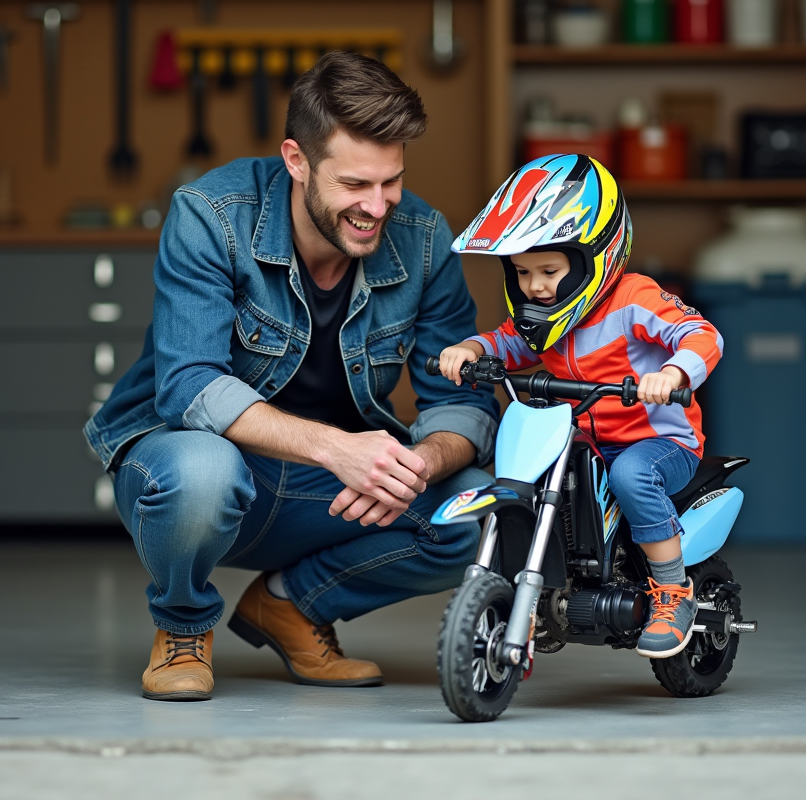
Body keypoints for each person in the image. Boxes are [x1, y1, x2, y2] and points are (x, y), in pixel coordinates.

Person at [84, 52, 499, 701]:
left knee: (472, 512)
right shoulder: (210, 214)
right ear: (296, 160)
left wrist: (419, 463)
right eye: (356, 184)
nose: (378, 205)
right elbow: (189, 386)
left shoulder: (422, 238)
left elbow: (462, 403)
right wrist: (340, 449)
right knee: (202, 471)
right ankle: (184, 626)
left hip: (329, 488)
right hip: (202, 467)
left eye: (391, 182)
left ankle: (291, 606)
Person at [437, 154, 723, 659]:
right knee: (530, 473)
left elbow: (702, 334)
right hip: (581, 440)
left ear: (595, 256)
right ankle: (532, 587)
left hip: (658, 442)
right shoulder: (541, 318)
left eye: (549, 269)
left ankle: (673, 591)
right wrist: (473, 350)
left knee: (632, 475)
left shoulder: (635, 298)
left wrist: (672, 373)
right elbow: (507, 343)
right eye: (521, 272)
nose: (534, 286)